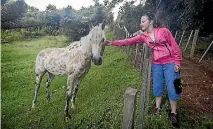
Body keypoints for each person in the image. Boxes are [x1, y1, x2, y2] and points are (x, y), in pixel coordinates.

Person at [104, 13, 182, 126]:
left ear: (150, 21)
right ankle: (157, 107)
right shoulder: (143, 36)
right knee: (157, 85)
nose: (141, 24)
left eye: (143, 21)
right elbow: (128, 41)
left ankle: (174, 112)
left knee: (174, 86)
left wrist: (177, 62)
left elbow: (174, 46)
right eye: (140, 22)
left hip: (170, 62)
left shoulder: (163, 31)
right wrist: (112, 43)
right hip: (156, 63)